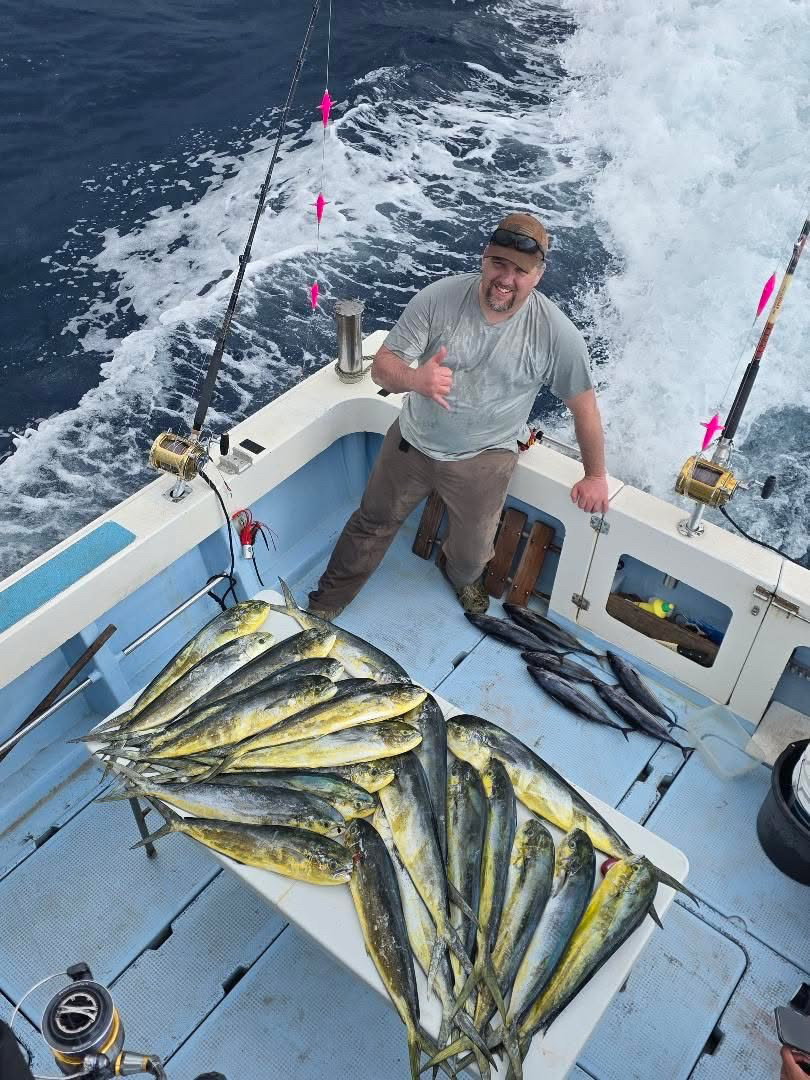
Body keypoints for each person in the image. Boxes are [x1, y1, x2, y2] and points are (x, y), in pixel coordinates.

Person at [308, 212, 609, 618]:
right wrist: (415, 380)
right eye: (499, 263)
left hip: (485, 458)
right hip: (412, 442)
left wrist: (595, 476)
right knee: (371, 524)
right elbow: (382, 367)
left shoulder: (558, 335)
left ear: (538, 275)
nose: (506, 278)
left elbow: (584, 410)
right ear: (484, 258)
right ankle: (325, 604)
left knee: (472, 555)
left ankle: (462, 577)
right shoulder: (439, 297)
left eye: (520, 271)